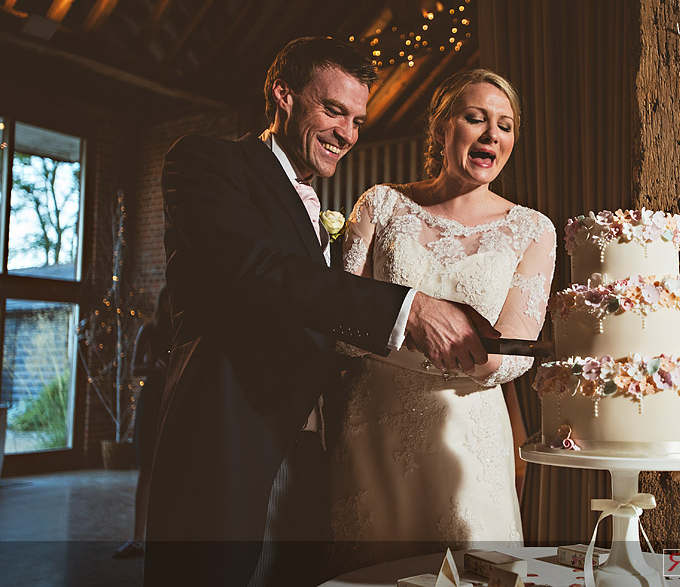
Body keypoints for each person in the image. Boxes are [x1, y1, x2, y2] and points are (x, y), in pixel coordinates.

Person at [144, 38, 500, 587]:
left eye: (357, 120)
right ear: (283, 95)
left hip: (316, 453)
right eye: (333, 111)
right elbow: (259, 270)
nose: (347, 135)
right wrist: (411, 307)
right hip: (228, 433)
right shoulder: (205, 162)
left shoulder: (316, 200)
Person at [328, 68, 556, 567]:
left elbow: (516, 352)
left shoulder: (532, 230)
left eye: (506, 124)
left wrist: (465, 356)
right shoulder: (382, 205)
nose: (492, 134)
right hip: (373, 430)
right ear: (441, 128)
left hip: (468, 437)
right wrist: (418, 328)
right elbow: (339, 324)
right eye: (476, 119)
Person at [113, 285, 171, 559]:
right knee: (147, 469)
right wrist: (153, 367)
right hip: (152, 401)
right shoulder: (148, 331)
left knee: (172, 469)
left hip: (173, 400)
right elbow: (134, 368)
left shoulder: (184, 330)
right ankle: (138, 538)